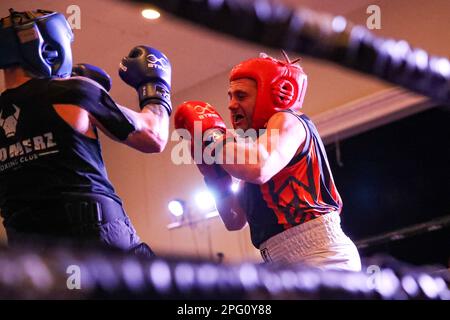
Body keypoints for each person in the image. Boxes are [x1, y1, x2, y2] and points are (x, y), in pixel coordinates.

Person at [0, 9, 172, 257]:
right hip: (101, 241)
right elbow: (154, 136)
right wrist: (156, 87)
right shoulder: (72, 92)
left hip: (32, 260)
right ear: (50, 47)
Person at [175, 53, 361, 271]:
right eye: (230, 96)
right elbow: (234, 220)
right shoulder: (258, 147)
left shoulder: (288, 120)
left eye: (241, 96)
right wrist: (215, 176)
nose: (231, 105)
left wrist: (213, 136)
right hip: (280, 262)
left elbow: (258, 168)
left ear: (271, 95)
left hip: (322, 255)